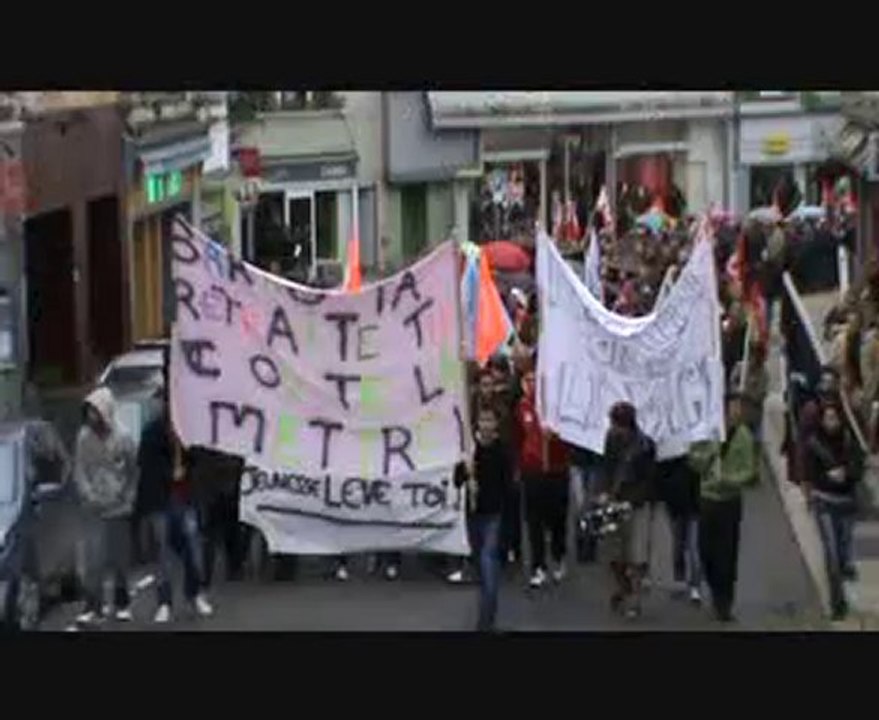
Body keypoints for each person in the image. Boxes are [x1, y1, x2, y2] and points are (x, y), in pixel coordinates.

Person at [138, 386, 214, 623]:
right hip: (161, 501)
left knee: (193, 547)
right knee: (163, 553)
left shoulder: (188, 431)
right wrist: (170, 474)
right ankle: (164, 602)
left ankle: (195, 593)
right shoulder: (151, 432)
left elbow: (198, 460)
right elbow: (146, 465)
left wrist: (186, 466)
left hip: (185, 499)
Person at [688, 394, 758, 623]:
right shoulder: (708, 432)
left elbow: (749, 471)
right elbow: (693, 460)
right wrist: (709, 455)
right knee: (705, 550)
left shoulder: (744, 436)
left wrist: (729, 480)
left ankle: (724, 601)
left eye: (740, 408)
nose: (737, 412)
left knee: (727, 554)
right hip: (707, 499)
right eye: (733, 408)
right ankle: (713, 585)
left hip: (730, 501)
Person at [73, 387, 138, 626]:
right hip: (93, 509)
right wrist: (87, 493)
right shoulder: (84, 437)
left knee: (119, 559)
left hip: (118, 507)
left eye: (96, 411)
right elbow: (80, 469)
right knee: (94, 560)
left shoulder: (124, 437)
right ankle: (93, 606)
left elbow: (133, 471)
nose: (92, 416)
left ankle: (122, 603)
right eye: (89, 411)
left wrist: (129, 497)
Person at [803, 400, 863, 620]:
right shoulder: (814, 443)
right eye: (828, 418)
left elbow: (858, 468)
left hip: (846, 502)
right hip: (824, 501)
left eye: (835, 418)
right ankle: (837, 603)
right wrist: (825, 479)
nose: (831, 422)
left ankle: (843, 583)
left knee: (843, 551)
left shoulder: (849, 440)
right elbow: (809, 474)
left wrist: (846, 473)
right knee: (832, 554)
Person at [597, 402, 657, 618]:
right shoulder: (611, 439)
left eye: (616, 425)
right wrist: (604, 492)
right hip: (615, 501)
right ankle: (623, 588)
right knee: (614, 553)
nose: (613, 429)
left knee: (636, 555)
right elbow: (607, 467)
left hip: (637, 505)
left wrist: (632, 501)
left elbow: (649, 481)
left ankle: (634, 600)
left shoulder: (645, 446)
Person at [458, 405, 513, 631]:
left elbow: (508, 487)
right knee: (480, 568)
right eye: (483, 420)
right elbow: (457, 480)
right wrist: (465, 472)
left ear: (496, 424)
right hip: (473, 515)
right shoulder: (470, 450)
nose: (486, 425)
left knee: (488, 563)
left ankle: (486, 622)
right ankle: (485, 613)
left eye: (490, 420)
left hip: (493, 516)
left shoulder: (502, 450)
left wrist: (508, 527)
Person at [515, 368, 570, 589]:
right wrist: (519, 465)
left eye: (534, 379)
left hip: (556, 470)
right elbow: (518, 437)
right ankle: (538, 566)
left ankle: (558, 556)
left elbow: (569, 437)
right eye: (527, 380)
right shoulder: (522, 407)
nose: (531, 384)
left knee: (557, 518)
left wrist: (555, 437)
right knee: (533, 520)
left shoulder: (557, 407)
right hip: (532, 471)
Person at [655, 457, 702, 604]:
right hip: (678, 508)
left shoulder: (695, 459)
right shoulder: (668, 462)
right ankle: (682, 580)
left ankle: (694, 585)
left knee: (693, 548)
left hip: (692, 509)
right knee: (679, 546)